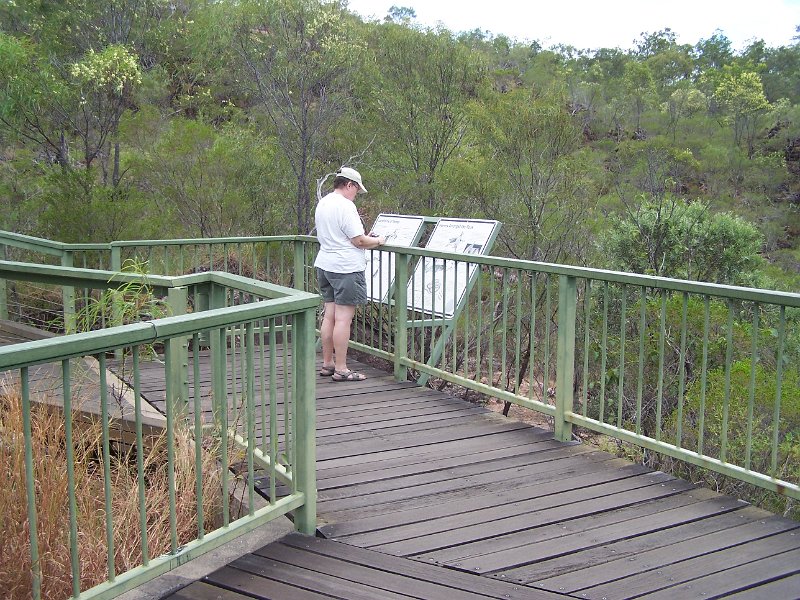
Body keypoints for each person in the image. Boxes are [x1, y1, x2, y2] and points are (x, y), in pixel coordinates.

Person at [314, 167, 386, 382]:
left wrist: (365, 237)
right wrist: (379, 241)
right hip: (345, 268)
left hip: (325, 264)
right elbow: (359, 241)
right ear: (349, 185)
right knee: (344, 319)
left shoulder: (324, 202)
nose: (356, 194)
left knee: (329, 316)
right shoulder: (346, 206)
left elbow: (344, 235)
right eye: (356, 189)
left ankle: (328, 363)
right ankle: (342, 369)